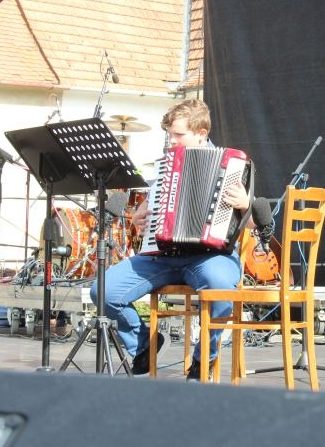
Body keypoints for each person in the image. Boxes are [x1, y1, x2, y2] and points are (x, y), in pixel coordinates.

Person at [92, 98, 253, 380]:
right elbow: (151, 206)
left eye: (178, 135)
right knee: (103, 291)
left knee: (220, 289)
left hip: (211, 257)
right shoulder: (167, 165)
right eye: (170, 135)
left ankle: (203, 360)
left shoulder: (233, 165)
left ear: (201, 133)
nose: (172, 141)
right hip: (163, 255)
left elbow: (253, 223)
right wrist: (141, 217)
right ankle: (144, 344)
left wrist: (244, 204)